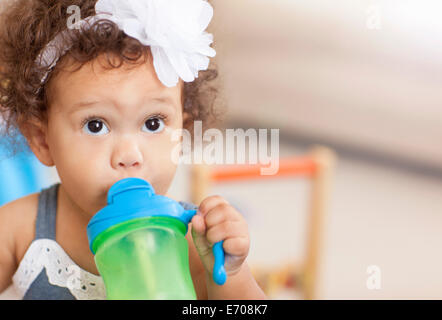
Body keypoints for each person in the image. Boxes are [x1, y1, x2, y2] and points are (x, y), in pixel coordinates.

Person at [0, 0, 266, 300]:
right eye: (96, 125)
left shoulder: (192, 238)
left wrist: (230, 275)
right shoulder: (21, 228)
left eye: (153, 123)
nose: (129, 155)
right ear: (42, 139)